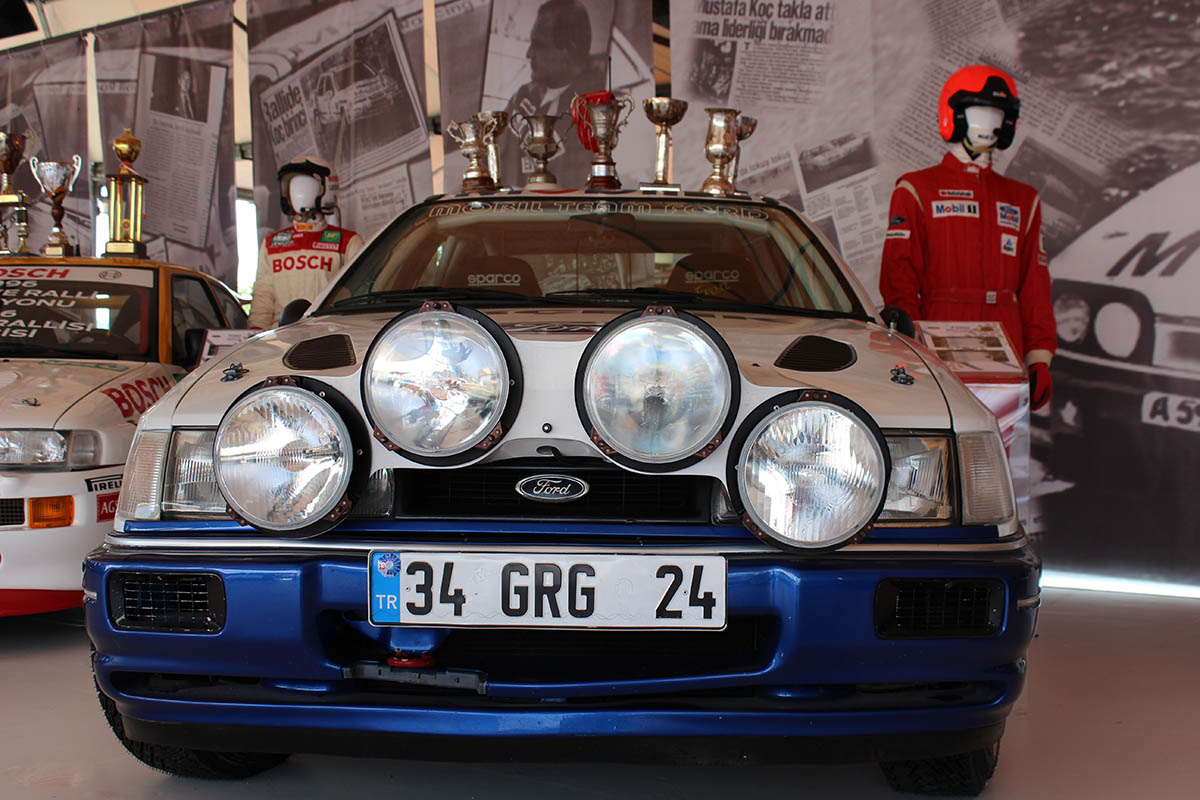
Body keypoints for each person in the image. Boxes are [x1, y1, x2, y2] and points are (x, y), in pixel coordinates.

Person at [879, 64, 1055, 410]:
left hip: (1007, 342)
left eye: (997, 115)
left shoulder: (1024, 199)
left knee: (1003, 441)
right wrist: (909, 347)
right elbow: (900, 276)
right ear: (955, 116)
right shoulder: (916, 189)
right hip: (937, 338)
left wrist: (1040, 357)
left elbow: (1035, 286)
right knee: (944, 437)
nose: (989, 124)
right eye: (979, 113)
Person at [248, 156, 364, 329]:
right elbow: (263, 298)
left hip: (327, 334)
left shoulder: (348, 242)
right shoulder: (271, 244)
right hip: (281, 336)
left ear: (325, 189)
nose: (298, 194)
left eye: (305, 186)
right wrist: (256, 331)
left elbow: (359, 296)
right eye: (292, 187)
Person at [500, 0, 605, 188]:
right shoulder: (522, 98)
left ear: (567, 52)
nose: (529, 54)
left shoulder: (595, 114)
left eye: (539, 45)